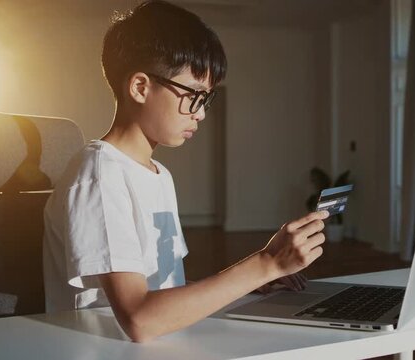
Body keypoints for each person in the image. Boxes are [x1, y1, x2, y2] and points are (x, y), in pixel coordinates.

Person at [42, 0, 328, 342]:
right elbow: (139, 319)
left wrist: (252, 284)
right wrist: (265, 263)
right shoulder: (100, 173)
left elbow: (163, 287)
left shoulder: (158, 173)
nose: (201, 114)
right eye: (193, 96)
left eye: (206, 100)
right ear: (140, 87)